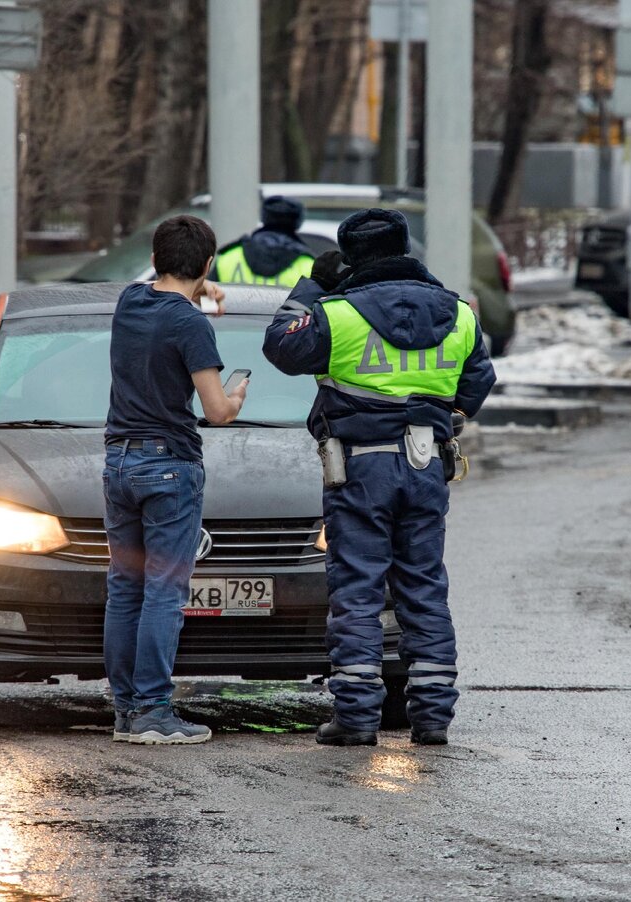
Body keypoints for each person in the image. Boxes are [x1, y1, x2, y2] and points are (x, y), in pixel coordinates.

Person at [263, 209, 497, 747]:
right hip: (425, 465)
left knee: (358, 591)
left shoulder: (337, 313)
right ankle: (433, 717)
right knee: (423, 587)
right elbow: (475, 389)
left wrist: (313, 286)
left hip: (360, 469)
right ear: (405, 247)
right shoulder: (459, 313)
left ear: (352, 257)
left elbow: (280, 345)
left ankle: (358, 717)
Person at [103, 214, 248, 745]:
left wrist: (198, 284)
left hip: (119, 461)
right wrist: (236, 396)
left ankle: (125, 710)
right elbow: (215, 412)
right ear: (207, 263)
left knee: (125, 588)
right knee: (165, 590)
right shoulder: (190, 324)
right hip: (169, 464)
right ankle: (153, 712)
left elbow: (167, 286)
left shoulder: (128, 303)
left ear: (155, 258)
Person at [209, 195, 315, 288]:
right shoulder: (308, 264)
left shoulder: (229, 257)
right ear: (298, 221)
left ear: (264, 216)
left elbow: (207, 300)